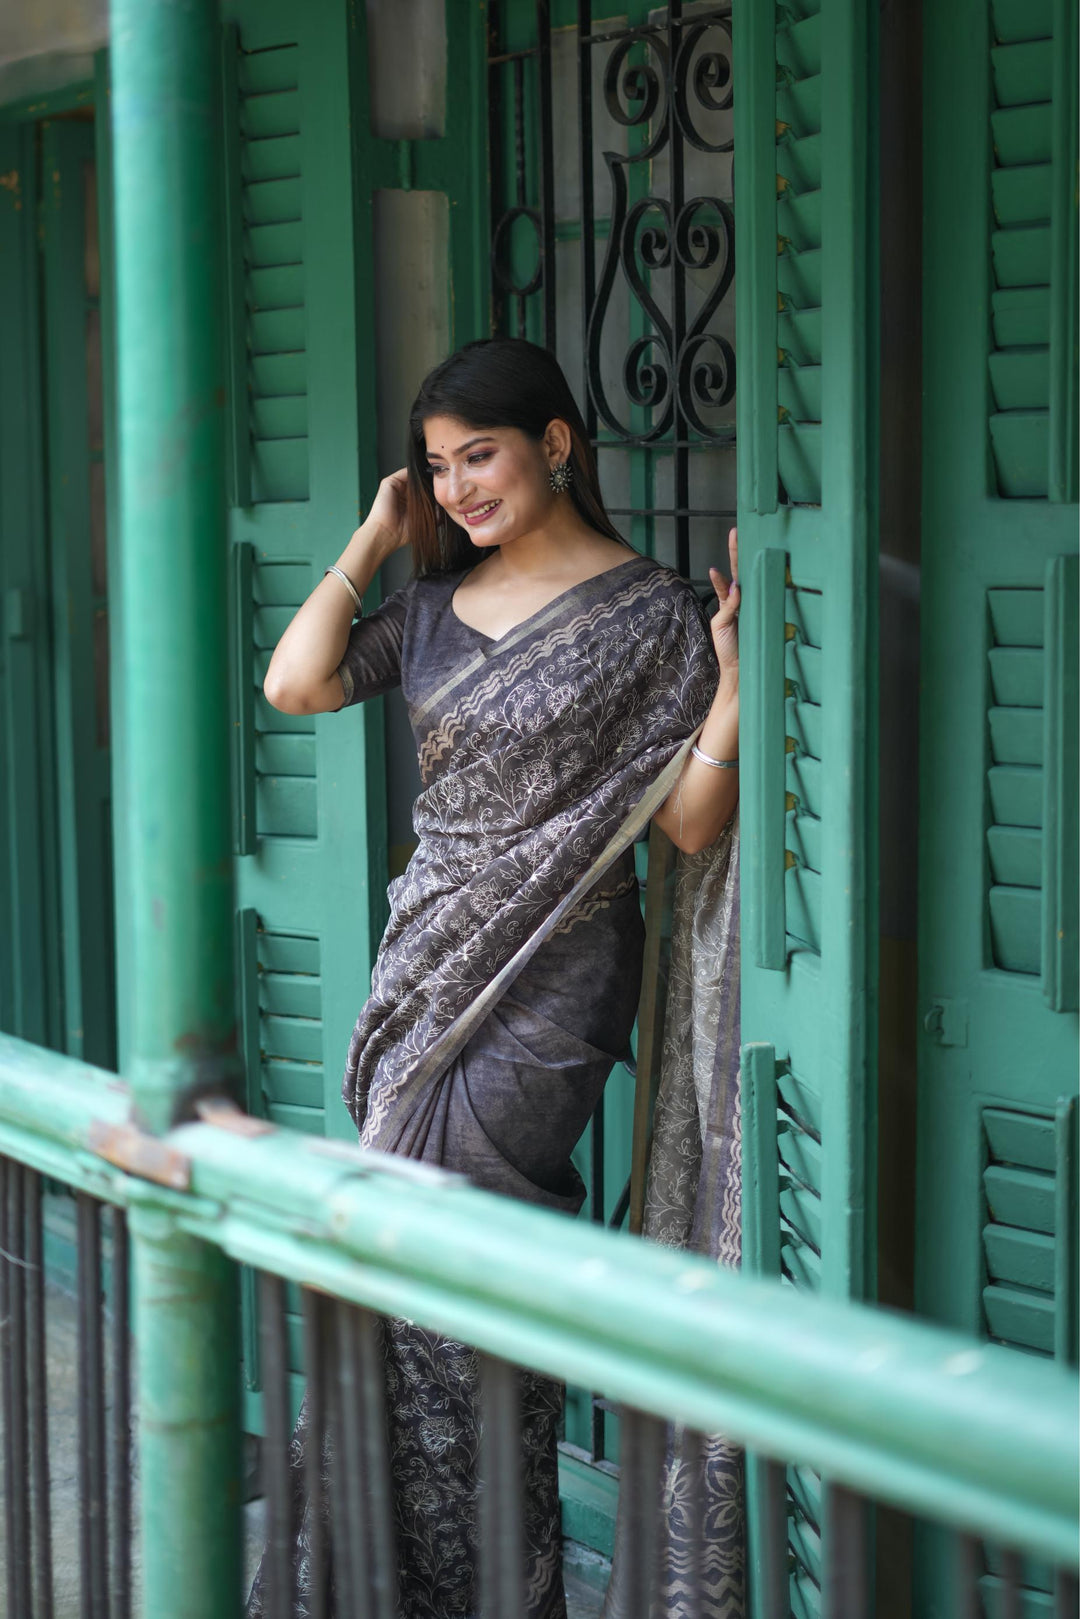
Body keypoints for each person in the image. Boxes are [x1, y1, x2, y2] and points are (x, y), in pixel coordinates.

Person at [251, 337, 740, 1618]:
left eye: (482, 454)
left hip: (554, 977)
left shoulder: (652, 618)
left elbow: (687, 824)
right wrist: (375, 534)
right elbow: (293, 680)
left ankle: (481, 1580)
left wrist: (733, 689)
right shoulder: (421, 611)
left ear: (558, 444)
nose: (459, 486)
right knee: (403, 1275)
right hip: (420, 974)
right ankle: (390, 1576)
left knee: (466, 1268)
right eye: (436, 465)